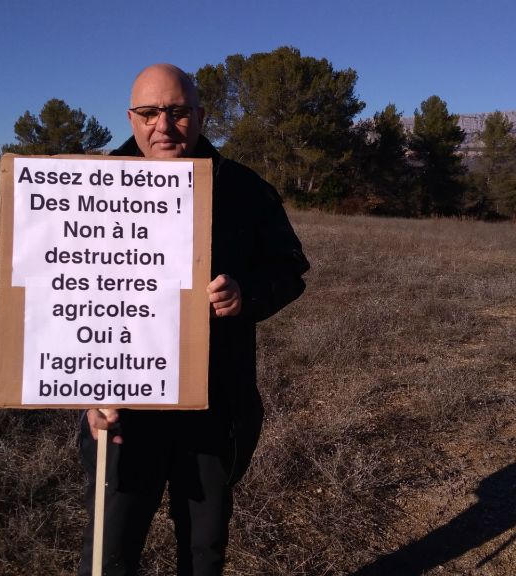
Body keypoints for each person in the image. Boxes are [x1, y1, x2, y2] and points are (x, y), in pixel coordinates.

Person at [78, 63, 310, 576]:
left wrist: (245, 294)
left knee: (203, 552)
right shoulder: (89, 190)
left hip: (214, 406)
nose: (164, 125)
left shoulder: (244, 190)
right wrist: (87, 396)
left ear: (201, 116)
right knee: (108, 552)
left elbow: (290, 269)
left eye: (179, 112)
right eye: (150, 112)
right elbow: (63, 299)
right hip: (122, 409)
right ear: (131, 117)